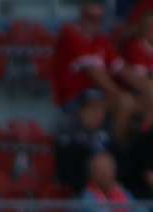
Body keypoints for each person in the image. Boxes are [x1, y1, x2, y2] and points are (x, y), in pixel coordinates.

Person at [52, 0, 134, 135]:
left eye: (98, 18)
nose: (94, 21)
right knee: (123, 102)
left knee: (150, 103)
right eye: (89, 17)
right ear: (80, 14)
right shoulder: (69, 35)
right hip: (74, 99)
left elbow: (122, 69)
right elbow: (94, 73)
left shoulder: (100, 38)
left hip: (97, 95)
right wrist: (120, 94)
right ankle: (115, 146)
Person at [54, 90, 124, 194]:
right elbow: (67, 175)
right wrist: (94, 184)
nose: (98, 114)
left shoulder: (107, 134)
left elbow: (124, 165)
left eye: (101, 109)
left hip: (112, 189)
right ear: (81, 111)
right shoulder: (68, 137)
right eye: (92, 109)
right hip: (82, 193)